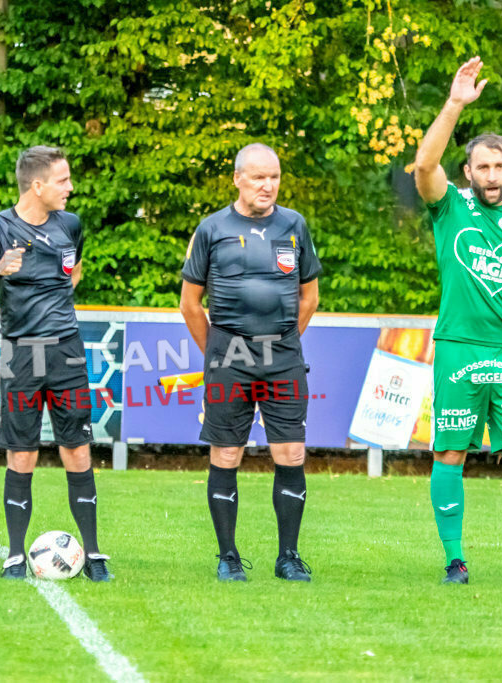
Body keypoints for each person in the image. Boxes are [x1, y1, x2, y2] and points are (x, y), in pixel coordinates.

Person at [413, 57, 502, 586]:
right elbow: (425, 165)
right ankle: (455, 560)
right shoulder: (449, 207)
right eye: (482, 167)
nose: (491, 176)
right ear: (468, 172)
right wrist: (454, 104)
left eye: (500, 167)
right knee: (450, 452)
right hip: (458, 348)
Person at [0, 146, 111, 582]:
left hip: (66, 350)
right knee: (22, 452)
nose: (70, 188)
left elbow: (74, 271)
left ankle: (95, 555)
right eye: (63, 181)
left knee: (77, 450)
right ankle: (12, 556)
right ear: (37, 185)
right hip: (20, 352)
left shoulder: (71, 224)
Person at [180, 142, 321, 582]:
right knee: (226, 452)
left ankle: (289, 557)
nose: (268, 185)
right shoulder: (211, 228)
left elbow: (309, 296)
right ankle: (228, 557)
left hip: (282, 355)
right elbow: (189, 304)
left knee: (291, 451)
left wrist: (280, 343)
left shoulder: (294, 225)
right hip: (229, 356)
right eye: (259, 177)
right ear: (238, 178)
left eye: (274, 177)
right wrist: (221, 352)